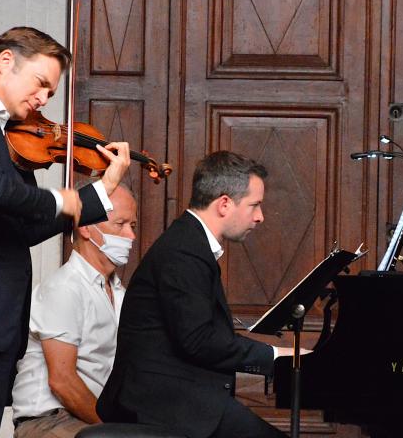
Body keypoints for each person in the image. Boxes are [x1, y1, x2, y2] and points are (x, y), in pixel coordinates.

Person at [0, 26, 131, 438]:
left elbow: (21, 227)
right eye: (41, 84)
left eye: (51, 92)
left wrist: (98, 197)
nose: (44, 99)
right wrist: (63, 200)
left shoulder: (0, 129)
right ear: (7, 61)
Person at [97, 151, 297, 438]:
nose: (260, 217)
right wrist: (278, 355)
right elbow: (198, 340)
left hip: (181, 397)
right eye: (254, 205)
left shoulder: (191, 243)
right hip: (164, 405)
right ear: (224, 204)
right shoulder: (184, 250)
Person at [10, 183, 137, 438]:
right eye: (120, 224)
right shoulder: (64, 288)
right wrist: (112, 428)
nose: (131, 236)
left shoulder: (120, 293)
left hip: (90, 419)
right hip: (48, 422)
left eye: (132, 226)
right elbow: (62, 382)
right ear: (86, 227)